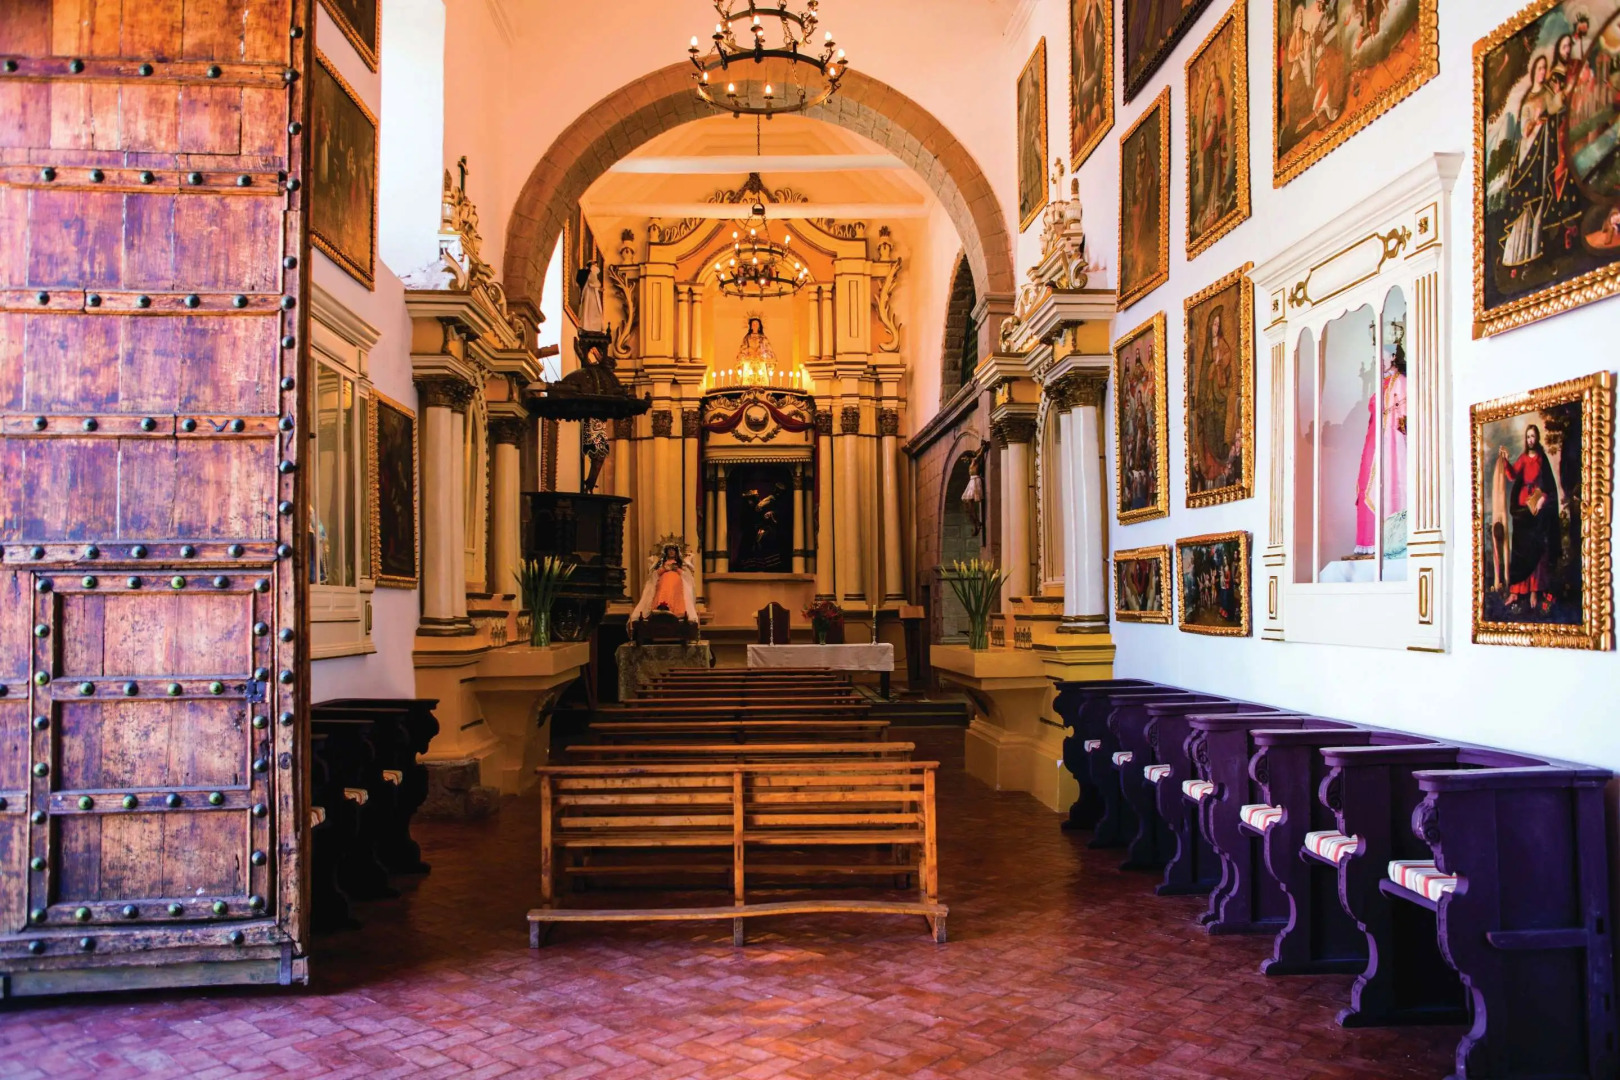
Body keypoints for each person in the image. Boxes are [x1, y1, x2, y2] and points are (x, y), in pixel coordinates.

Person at [1498, 424, 1562, 614]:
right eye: (1528, 437)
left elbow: (1549, 486)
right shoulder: (1524, 458)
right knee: (1519, 550)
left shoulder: (1542, 460)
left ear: (1537, 438)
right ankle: (1516, 592)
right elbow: (1512, 476)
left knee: (1536, 550)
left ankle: (1534, 590)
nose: (1530, 440)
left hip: (1536, 508)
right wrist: (1506, 462)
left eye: (1533, 436)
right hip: (1522, 509)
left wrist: (1543, 499)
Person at [1194, 305, 1239, 490]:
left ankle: (1220, 469)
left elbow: (1227, 358)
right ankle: (1210, 470)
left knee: (1218, 428)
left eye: (1217, 325)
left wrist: (1218, 364)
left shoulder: (1222, 344)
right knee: (1208, 429)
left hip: (1218, 394)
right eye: (1213, 325)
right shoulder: (1206, 349)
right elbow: (1204, 372)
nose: (1215, 328)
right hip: (1209, 397)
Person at [630, 542, 697, 622]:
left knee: (673, 590)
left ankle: (676, 611)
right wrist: (665, 569)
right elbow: (654, 574)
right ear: (666, 552)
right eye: (669, 550)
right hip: (663, 581)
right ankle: (661, 608)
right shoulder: (660, 563)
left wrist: (676, 569)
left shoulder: (680, 563)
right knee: (662, 589)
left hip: (677, 583)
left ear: (676, 552)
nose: (671, 552)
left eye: (673, 550)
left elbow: (686, 575)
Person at [579, 261, 605, 334]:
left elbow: (594, 285)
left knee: (593, 310)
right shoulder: (591, 273)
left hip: (592, 294)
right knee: (591, 309)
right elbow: (593, 283)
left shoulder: (592, 274)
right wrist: (599, 285)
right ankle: (589, 326)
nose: (597, 267)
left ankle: (594, 326)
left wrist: (599, 289)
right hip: (590, 295)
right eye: (595, 265)